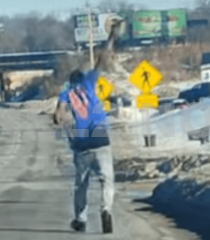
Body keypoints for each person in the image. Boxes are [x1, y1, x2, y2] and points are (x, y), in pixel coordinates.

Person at [54, 15, 124, 234]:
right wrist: (112, 36)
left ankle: (81, 219)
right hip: (100, 136)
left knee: (81, 183)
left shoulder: (66, 92)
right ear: (82, 78)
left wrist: (63, 122)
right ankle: (106, 210)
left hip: (81, 141)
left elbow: (59, 115)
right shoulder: (90, 82)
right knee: (107, 179)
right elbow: (103, 59)